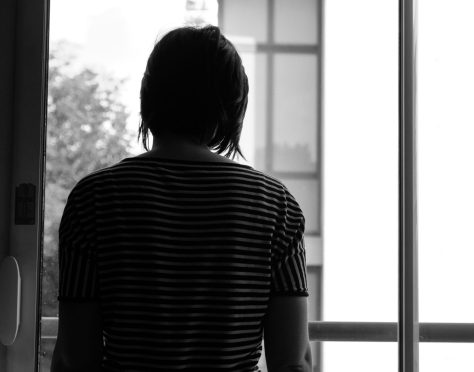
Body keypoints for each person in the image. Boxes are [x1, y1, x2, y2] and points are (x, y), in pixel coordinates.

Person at [51, 25, 312, 372]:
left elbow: (75, 359)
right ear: (234, 104)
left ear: (149, 94)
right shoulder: (276, 205)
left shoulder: (94, 199)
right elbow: (292, 363)